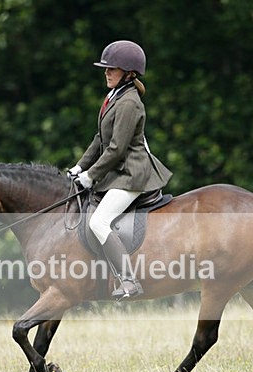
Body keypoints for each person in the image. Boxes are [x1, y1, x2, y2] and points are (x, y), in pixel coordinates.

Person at [68, 40, 173, 299]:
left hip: (131, 174)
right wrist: (79, 166)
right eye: (106, 68)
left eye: (112, 68)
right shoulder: (113, 96)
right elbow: (99, 139)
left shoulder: (129, 103)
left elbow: (116, 149)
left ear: (129, 73)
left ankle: (128, 281)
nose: (106, 72)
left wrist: (90, 176)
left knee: (99, 222)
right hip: (118, 171)